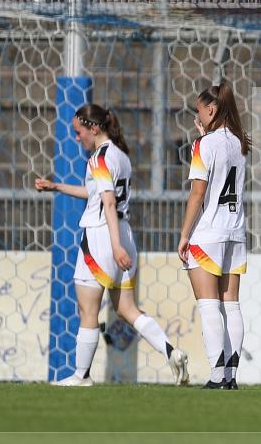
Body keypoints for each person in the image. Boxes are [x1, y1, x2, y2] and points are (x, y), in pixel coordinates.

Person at [36, 104, 189, 387]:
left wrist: (114, 246)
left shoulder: (98, 158)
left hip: (102, 237)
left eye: (78, 131)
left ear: (93, 128)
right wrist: (56, 187)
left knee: (88, 311)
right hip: (125, 233)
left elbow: (107, 201)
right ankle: (172, 351)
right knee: (128, 309)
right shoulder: (121, 156)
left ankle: (81, 376)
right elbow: (96, 194)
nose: (77, 137)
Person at [177, 80, 250, 390]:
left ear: (211, 109)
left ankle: (217, 376)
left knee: (208, 304)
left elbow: (198, 194)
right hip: (236, 231)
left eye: (199, 110)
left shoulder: (202, 145)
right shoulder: (241, 142)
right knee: (230, 304)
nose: (198, 116)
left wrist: (184, 235)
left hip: (209, 232)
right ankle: (230, 377)